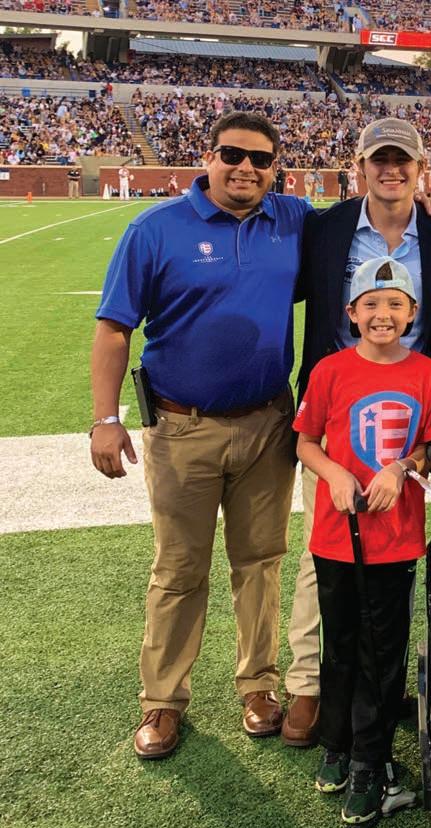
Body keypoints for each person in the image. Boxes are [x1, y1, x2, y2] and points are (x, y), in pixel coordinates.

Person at [90, 111, 314, 760]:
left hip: (269, 423)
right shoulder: (155, 228)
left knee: (260, 562)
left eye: (261, 159)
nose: (246, 168)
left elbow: (365, 223)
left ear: (276, 168)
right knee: (179, 567)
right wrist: (105, 419)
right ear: (207, 156)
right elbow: (114, 327)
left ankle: (258, 685)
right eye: (232, 154)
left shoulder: (294, 219)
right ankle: (162, 699)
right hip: (181, 425)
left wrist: (420, 206)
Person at [285, 117, 431, 747]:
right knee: (325, 546)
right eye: (380, 160)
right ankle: (309, 685)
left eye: (403, 160)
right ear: (361, 167)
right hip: (338, 404)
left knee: (396, 543)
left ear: (421, 169)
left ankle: (379, 678)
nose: (391, 170)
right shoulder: (326, 227)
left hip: (411, 410)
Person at [293, 257, 431, 824]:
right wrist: (334, 474)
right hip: (337, 535)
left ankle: (369, 759)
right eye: (372, 304)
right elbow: (306, 442)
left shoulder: (425, 372)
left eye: (395, 304)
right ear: (352, 313)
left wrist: (400, 468)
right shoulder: (330, 370)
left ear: (412, 313)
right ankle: (337, 745)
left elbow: (428, 446)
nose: (383, 314)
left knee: (382, 650)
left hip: (394, 537)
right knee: (339, 644)